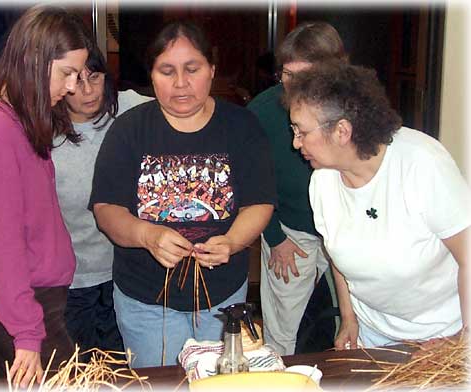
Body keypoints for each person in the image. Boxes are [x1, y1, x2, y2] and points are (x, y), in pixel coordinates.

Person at [88, 21, 276, 367]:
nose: (180, 84)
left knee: (218, 382)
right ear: (152, 75)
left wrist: (233, 241)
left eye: (192, 69)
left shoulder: (242, 126)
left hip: (223, 301)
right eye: (167, 71)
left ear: (212, 70)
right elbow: (106, 209)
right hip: (146, 300)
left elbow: (259, 201)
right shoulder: (130, 129)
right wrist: (147, 234)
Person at [286, 61, 469, 350]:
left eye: (302, 132)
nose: (296, 144)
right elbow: (337, 255)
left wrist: (462, 342)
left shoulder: (421, 163)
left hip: (444, 333)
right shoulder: (322, 181)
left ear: (342, 131)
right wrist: (349, 318)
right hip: (374, 333)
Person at [0, 5, 91, 388]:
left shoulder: (16, 120)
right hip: (23, 306)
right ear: (31, 60)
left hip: (39, 300)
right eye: (67, 73)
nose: (73, 87)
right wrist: (26, 332)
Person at [247, 21, 347, 355]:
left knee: (348, 323)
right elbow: (250, 184)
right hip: (291, 232)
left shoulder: (354, 106)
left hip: (345, 229)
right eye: (287, 75)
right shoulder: (261, 112)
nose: (293, 86)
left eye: (305, 76)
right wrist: (274, 237)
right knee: (283, 336)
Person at [52, 40, 153, 357]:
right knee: (78, 366)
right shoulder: (44, 134)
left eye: (94, 77)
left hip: (125, 272)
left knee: (125, 365)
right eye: (76, 82)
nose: (88, 91)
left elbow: (184, 106)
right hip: (71, 278)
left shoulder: (130, 108)